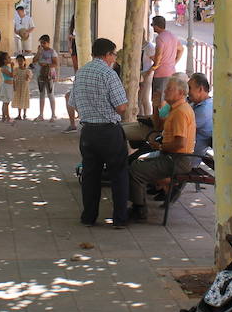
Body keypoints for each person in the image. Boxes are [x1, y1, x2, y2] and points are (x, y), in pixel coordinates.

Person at [69, 37, 130, 228]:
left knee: (90, 177)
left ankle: (89, 217)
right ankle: (119, 219)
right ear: (107, 54)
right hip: (109, 131)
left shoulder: (81, 72)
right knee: (118, 175)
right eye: (113, 55)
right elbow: (121, 106)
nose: (114, 59)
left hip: (88, 132)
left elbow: (72, 103)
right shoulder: (109, 74)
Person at [128, 75, 196, 222]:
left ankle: (139, 209)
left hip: (177, 160)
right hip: (171, 155)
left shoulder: (181, 112)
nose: (165, 91)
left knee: (136, 169)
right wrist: (156, 105)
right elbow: (159, 126)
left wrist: (160, 146)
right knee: (135, 161)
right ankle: (137, 204)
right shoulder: (174, 109)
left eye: (169, 89)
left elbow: (180, 144)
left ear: (181, 93)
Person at [148, 15, 181, 117]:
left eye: (152, 25)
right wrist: (174, 62)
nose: (152, 27)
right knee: (167, 97)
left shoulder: (160, 38)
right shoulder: (172, 35)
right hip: (171, 71)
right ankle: (164, 121)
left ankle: (159, 122)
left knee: (158, 99)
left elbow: (158, 57)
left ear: (157, 26)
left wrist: (153, 66)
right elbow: (181, 49)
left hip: (161, 73)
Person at [187, 72, 213, 157]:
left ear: (200, 89)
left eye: (189, 88)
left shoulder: (204, 110)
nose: (187, 91)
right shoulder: (200, 102)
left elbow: (181, 129)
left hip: (189, 156)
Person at [34, 35, 58, 120]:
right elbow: (34, 60)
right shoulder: (40, 51)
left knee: (50, 94)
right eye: (41, 43)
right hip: (40, 74)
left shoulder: (52, 52)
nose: (42, 45)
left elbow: (55, 64)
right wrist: (38, 52)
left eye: (44, 43)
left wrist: (46, 64)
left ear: (48, 43)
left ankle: (53, 115)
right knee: (41, 94)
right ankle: (41, 115)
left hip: (49, 75)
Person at [11, 55, 33, 121]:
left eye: (21, 60)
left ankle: (24, 114)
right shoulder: (16, 69)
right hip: (18, 86)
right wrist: (14, 85)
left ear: (24, 61)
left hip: (25, 87)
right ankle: (19, 114)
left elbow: (28, 79)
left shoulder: (27, 71)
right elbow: (13, 76)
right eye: (18, 61)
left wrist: (27, 77)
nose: (20, 62)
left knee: (24, 99)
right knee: (19, 99)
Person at [0, 51, 14, 123]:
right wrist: (12, 67)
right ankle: (7, 117)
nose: (10, 59)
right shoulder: (4, 68)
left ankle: (4, 117)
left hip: (9, 86)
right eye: (8, 58)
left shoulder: (6, 67)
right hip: (6, 86)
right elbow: (11, 75)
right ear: (4, 60)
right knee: (6, 102)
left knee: (6, 102)